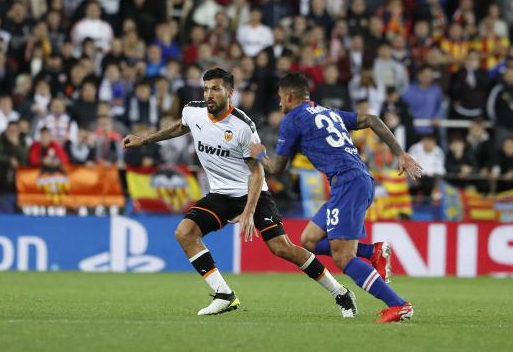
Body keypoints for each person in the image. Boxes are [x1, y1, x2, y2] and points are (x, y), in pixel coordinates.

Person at [122, 68, 357, 317]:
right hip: (220, 194)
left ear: (230, 92)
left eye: (216, 89)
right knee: (185, 233)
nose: (209, 94)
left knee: (282, 248)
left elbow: (257, 173)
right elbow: (181, 127)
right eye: (206, 88)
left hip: (252, 192)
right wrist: (145, 140)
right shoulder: (193, 110)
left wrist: (249, 211)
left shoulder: (244, 127)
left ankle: (340, 293)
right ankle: (224, 295)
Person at [249, 72, 423, 323]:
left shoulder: (292, 119)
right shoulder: (328, 112)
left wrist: (259, 155)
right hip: (355, 180)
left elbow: (277, 168)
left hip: (348, 182)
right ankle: (372, 252)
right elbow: (372, 119)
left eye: (280, 98)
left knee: (343, 257)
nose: (279, 104)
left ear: (289, 96)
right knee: (308, 240)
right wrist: (401, 153)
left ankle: (399, 305)